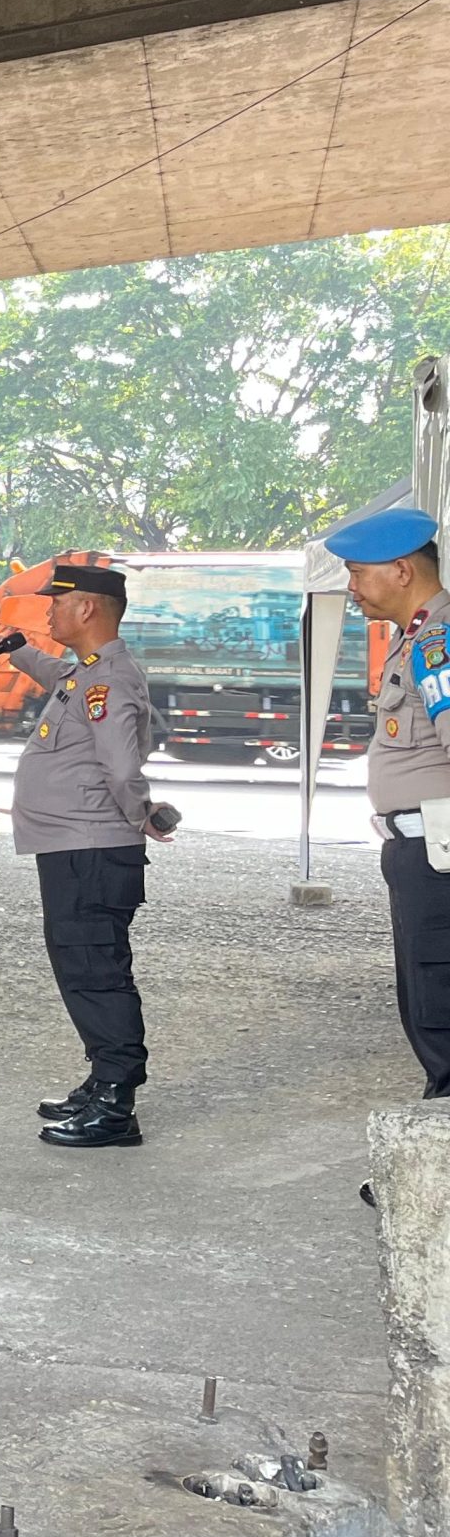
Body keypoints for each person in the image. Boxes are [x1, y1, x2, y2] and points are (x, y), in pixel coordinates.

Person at [3, 563, 168, 1149]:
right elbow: (62, 679)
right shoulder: (90, 673)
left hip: (92, 849)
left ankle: (116, 1105)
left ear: (88, 610)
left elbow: (123, 768)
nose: (48, 613)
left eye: (56, 604)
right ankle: (103, 1079)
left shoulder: (111, 681)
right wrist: (20, 652)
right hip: (74, 848)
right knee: (82, 969)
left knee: (96, 973)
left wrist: (140, 816)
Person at [331, 508, 450, 1200]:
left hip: (440, 857)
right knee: (428, 1006)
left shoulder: (438, 642)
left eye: (357, 572)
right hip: (423, 851)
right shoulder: (418, 640)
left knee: (440, 1010)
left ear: (402, 570)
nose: (351, 586)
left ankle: (434, 1178)